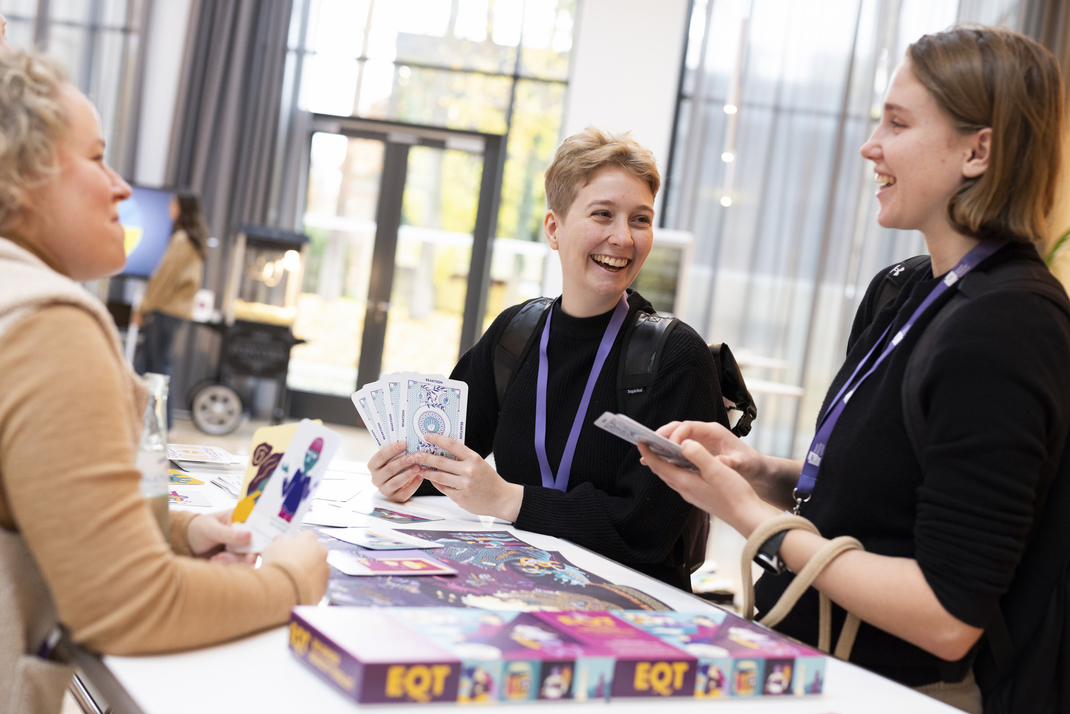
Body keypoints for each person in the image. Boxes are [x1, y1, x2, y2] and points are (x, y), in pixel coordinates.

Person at [639, 26, 1069, 713]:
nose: (871, 145)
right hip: (815, 667)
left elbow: (948, 617)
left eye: (897, 123)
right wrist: (762, 473)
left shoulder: (1010, 325)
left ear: (978, 149)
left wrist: (747, 515)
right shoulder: (903, 288)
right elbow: (876, 502)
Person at [0, 51, 328, 711]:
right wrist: (293, 581)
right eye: (96, 158)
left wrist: (178, 530)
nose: (121, 187)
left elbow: (43, 501)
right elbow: (129, 606)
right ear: (20, 178)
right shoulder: (48, 324)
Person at [369, 127, 730, 590]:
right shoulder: (515, 334)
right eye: (603, 214)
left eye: (640, 220)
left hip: (625, 608)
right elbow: (447, 458)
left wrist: (510, 500)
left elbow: (648, 531)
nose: (622, 237)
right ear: (554, 229)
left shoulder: (676, 357)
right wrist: (403, 476)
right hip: (516, 584)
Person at [133, 189, 207, 426]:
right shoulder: (192, 241)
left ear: (182, 208)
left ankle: (162, 423)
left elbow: (163, 280)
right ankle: (149, 420)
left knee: (155, 368)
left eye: (173, 204)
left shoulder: (182, 240)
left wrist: (143, 308)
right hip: (175, 312)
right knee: (151, 364)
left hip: (166, 311)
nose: (169, 208)